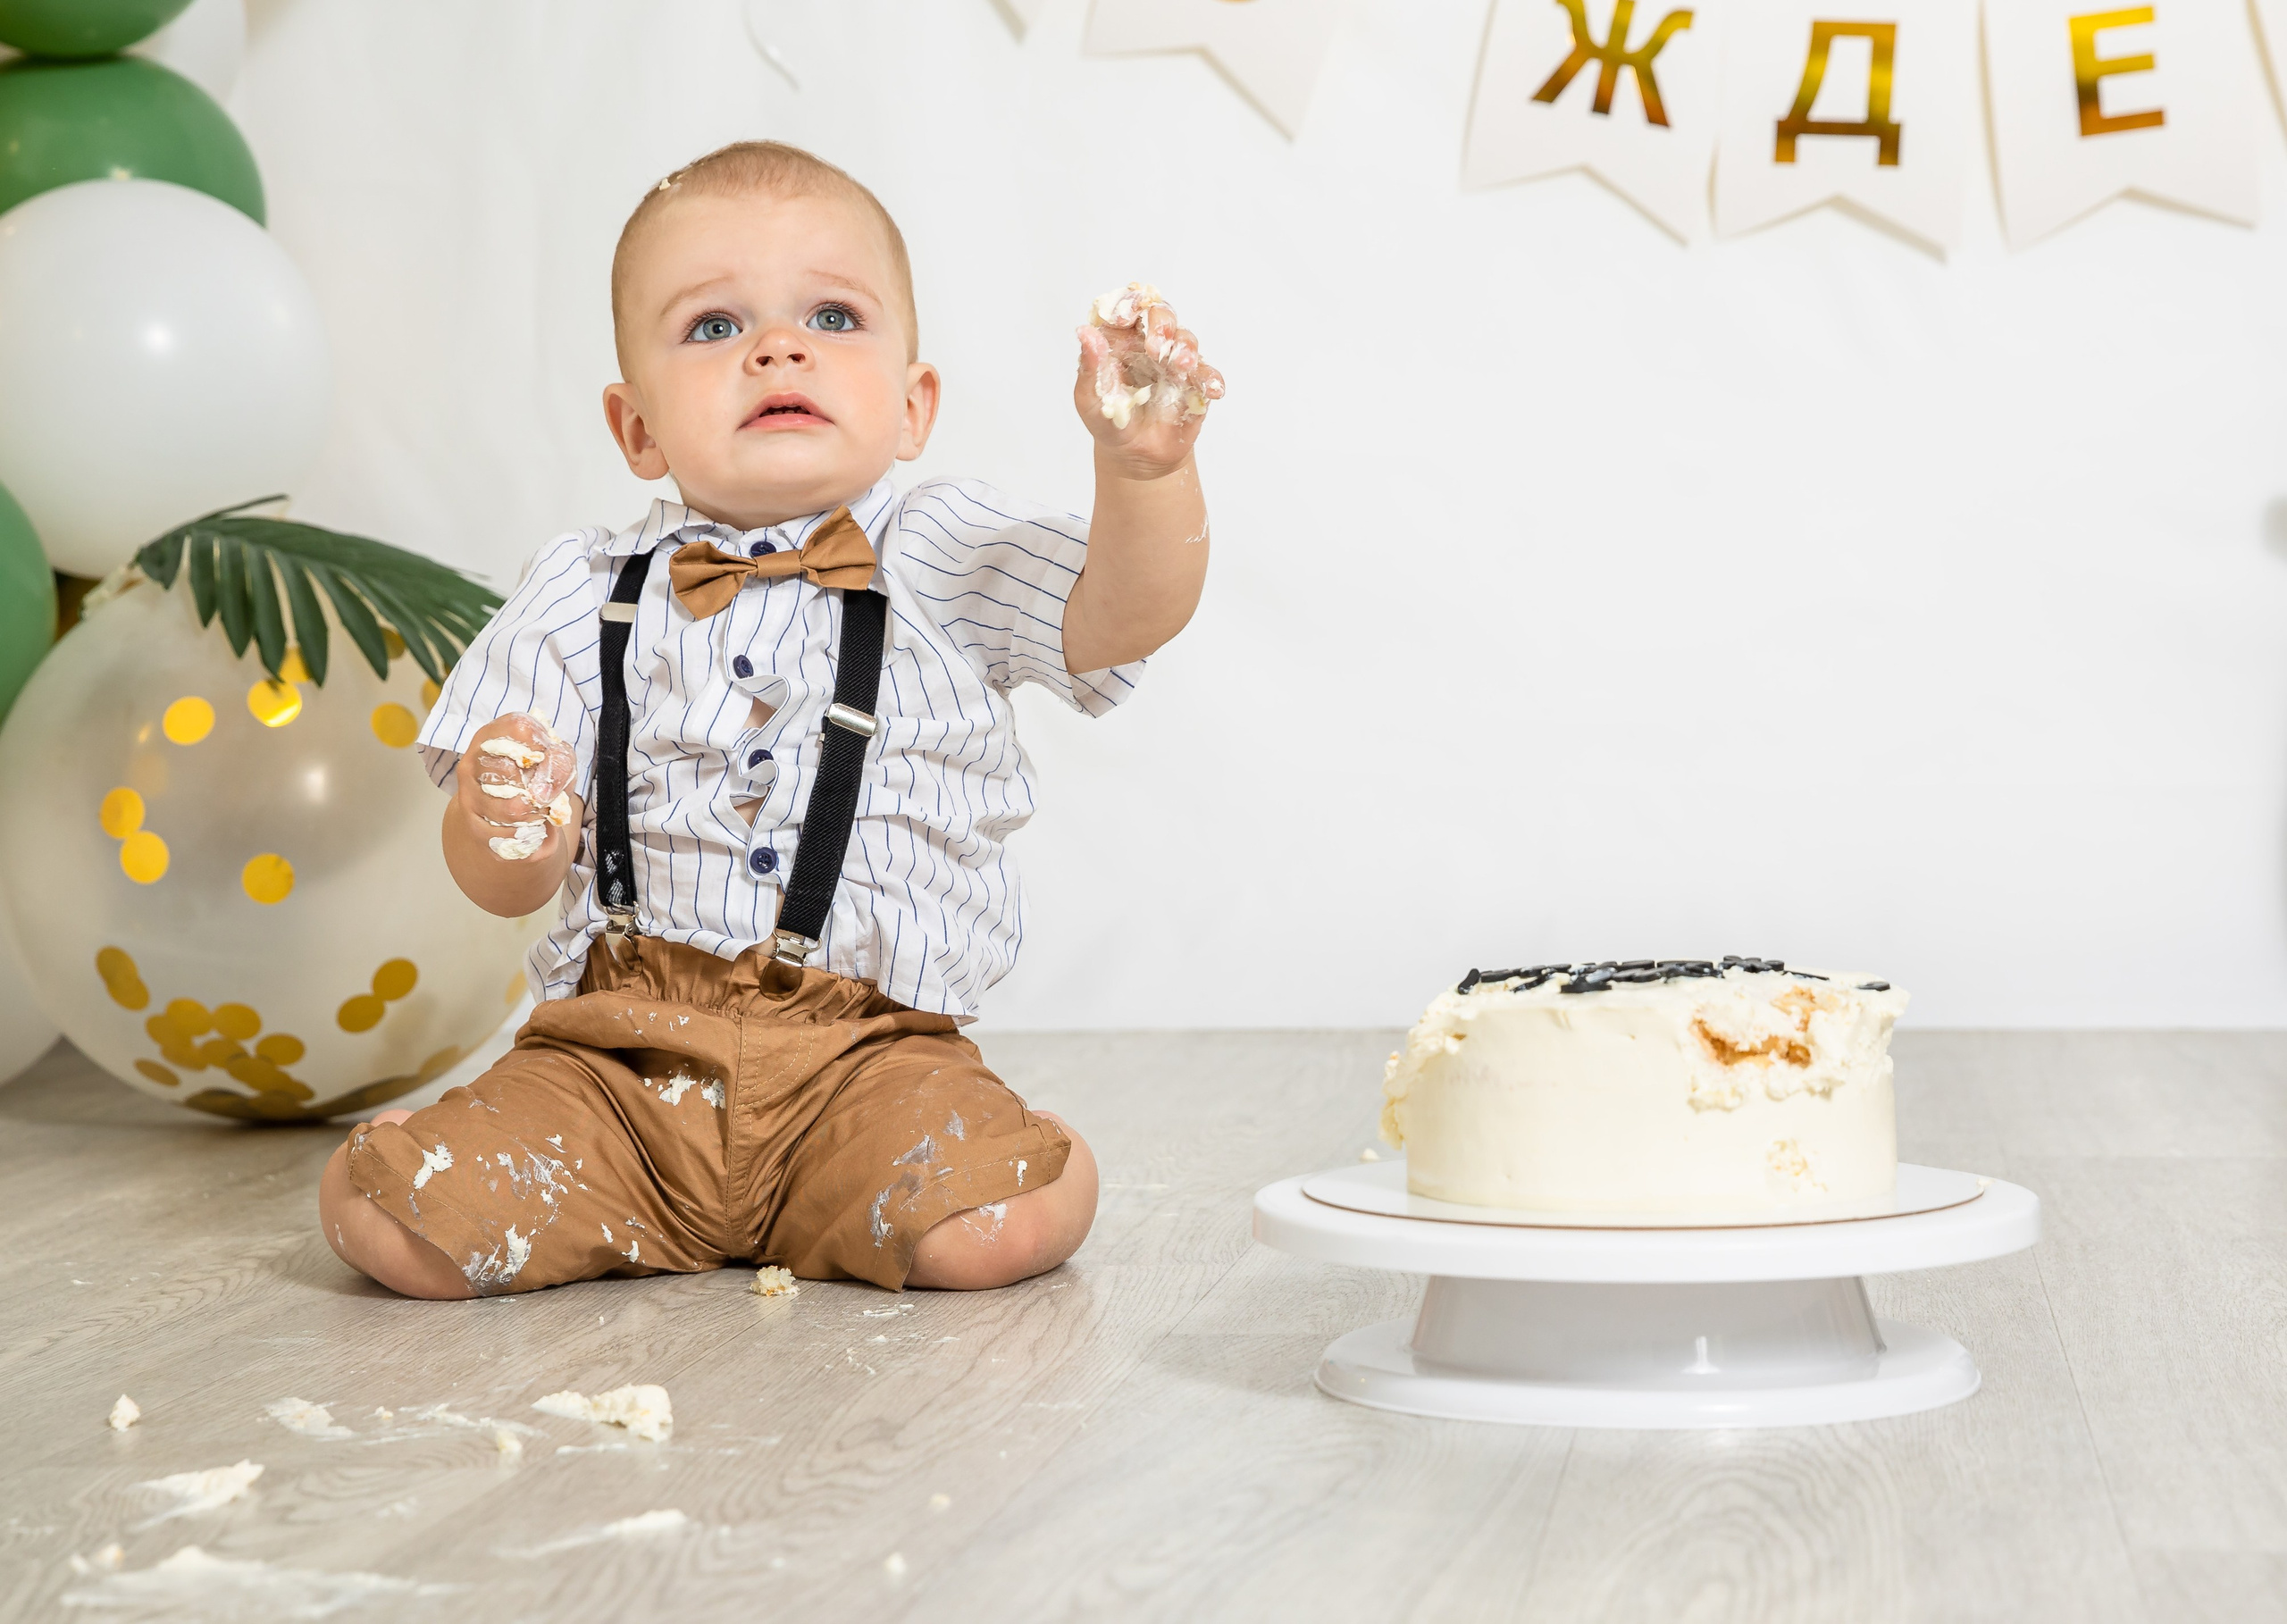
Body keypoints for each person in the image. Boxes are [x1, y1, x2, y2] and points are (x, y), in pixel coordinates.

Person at [315, 140, 1220, 1300]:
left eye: (833, 316)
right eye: (711, 327)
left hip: (865, 1059)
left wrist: (1143, 474)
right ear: (635, 427)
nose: (778, 348)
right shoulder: (580, 588)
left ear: (912, 404)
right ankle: (603, 1188)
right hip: (618, 1065)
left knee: (985, 1225)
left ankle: (987, 1157)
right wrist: (506, 818)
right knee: (398, 1225)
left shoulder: (942, 551)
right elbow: (502, 886)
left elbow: (1122, 614)